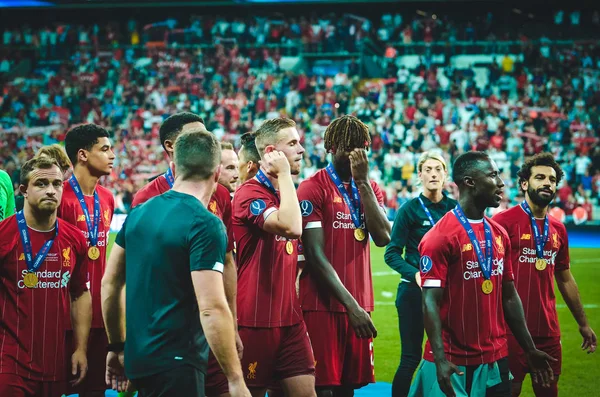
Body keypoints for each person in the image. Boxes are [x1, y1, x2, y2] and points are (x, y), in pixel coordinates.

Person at [101, 129, 251, 397]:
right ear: (217, 173)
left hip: (138, 359)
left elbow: (110, 285)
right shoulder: (205, 223)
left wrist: (116, 346)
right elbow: (212, 308)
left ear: (173, 167)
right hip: (178, 363)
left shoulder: (138, 213)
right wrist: (235, 378)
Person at [410, 151, 555, 397]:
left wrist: (529, 349)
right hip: (453, 362)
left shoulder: (498, 233)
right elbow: (430, 302)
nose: (501, 183)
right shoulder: (439, 237)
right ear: (470, 182)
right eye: (493, 175)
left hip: (496, 359)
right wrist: (440, 359)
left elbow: (509, 296)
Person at [130, 112, 239, 397]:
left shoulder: (222, 196)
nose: (205, 139)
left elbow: (227, 261)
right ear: (171, 146)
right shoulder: (146, 199)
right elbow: (134, 279)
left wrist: (233, 323)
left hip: (210, 329)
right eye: (195, 133)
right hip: (168, 339)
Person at [296, 115, 390, 397]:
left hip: (360, 304)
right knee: (323, 388)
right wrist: (352, 307)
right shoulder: (312, 188)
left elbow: (384, 237)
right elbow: (314, 255)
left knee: (349, 388)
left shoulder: (371, 189)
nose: (355, 155)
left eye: (361, 148)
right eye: (348, 148)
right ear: (331, 147)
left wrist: (362, 183)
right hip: (322, 305)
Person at [493, 153, 597, 397]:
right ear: (525, 184)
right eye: (540, 177)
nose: (547, 183)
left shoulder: (559, 229)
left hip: (547, 330)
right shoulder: (503, 223)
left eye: (552, 179)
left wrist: (583, 324)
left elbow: (565, 278)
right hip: (510, 328)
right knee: (509, 390)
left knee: (548, 390)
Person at [232, 118, 316, 397]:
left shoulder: (285, 192)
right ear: (271, 153)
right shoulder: (249, 194)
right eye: (292, 144)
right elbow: (292, 227)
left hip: (290, 319)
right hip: (256, 320)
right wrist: (284, 175)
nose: (301, 149)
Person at [0, 156, 92, 396]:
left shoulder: (75, 239)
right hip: (10, 363)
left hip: (56, 363)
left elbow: (80, 294)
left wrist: (81, 348)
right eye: (41, 184)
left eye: (57, 184)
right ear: (24, 191)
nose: (51, 190)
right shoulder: (4, 236)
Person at [384, 152, 457, 397]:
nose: (433, 174)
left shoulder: (454, 209)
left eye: (438, 169)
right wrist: (415, 274)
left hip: (447, 294)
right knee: (411, 358)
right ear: (420, 175)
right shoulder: (409, 210)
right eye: (428, 169)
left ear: (446, 175)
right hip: (414, 293)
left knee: (448, 355)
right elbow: (391, 253)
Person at [58, 124, 115, 397]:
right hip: (64, 317)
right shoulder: (59, 197)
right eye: (104, 149)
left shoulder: (107, 199)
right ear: (82, 155)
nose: (112, 155)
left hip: (99, 316)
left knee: (94, 390)